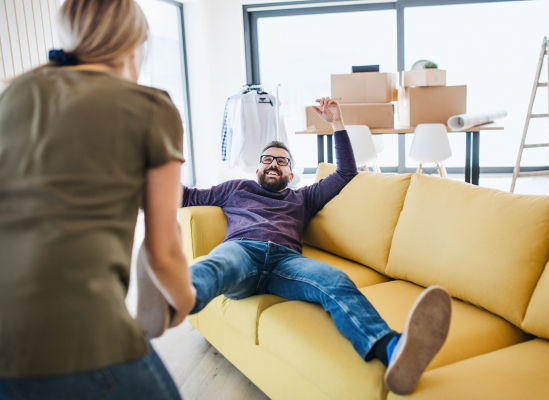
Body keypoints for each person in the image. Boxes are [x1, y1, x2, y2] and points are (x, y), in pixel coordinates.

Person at [174, 97, 452, 395]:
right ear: (257, 168)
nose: (273, 164)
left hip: (285, 263)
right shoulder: (236, 188)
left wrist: (336, 123)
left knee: (335, 280)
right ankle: (172, 297)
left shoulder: (302, 198)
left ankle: (392, 350)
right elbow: (186, 196)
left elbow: (346, 173)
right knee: (220, 264)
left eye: (282, 161)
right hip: (242, 251)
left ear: (291, 175)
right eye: (267, 159)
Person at [0, 0, 195, 399]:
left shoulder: (13, 94)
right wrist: (186, 299)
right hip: (79, 329)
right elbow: (162, 249)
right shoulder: (151, 107)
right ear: (136, 43)